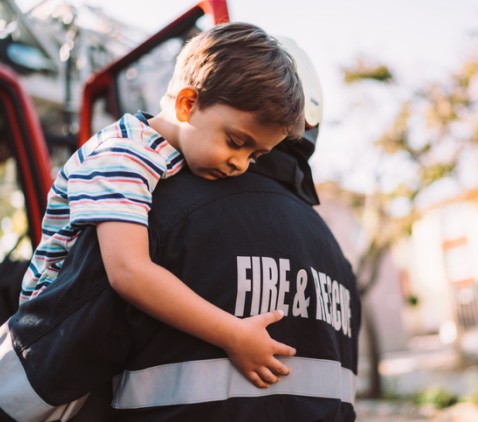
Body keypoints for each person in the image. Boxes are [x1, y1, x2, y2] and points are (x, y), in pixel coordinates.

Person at [0, 37, 360, 422]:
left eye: (255, 156)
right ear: (188, 104)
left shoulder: (168, 158)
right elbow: (129, 272)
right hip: (50, 342)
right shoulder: (122, 156)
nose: (240, 164)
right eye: (237, 143)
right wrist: (232, 334)